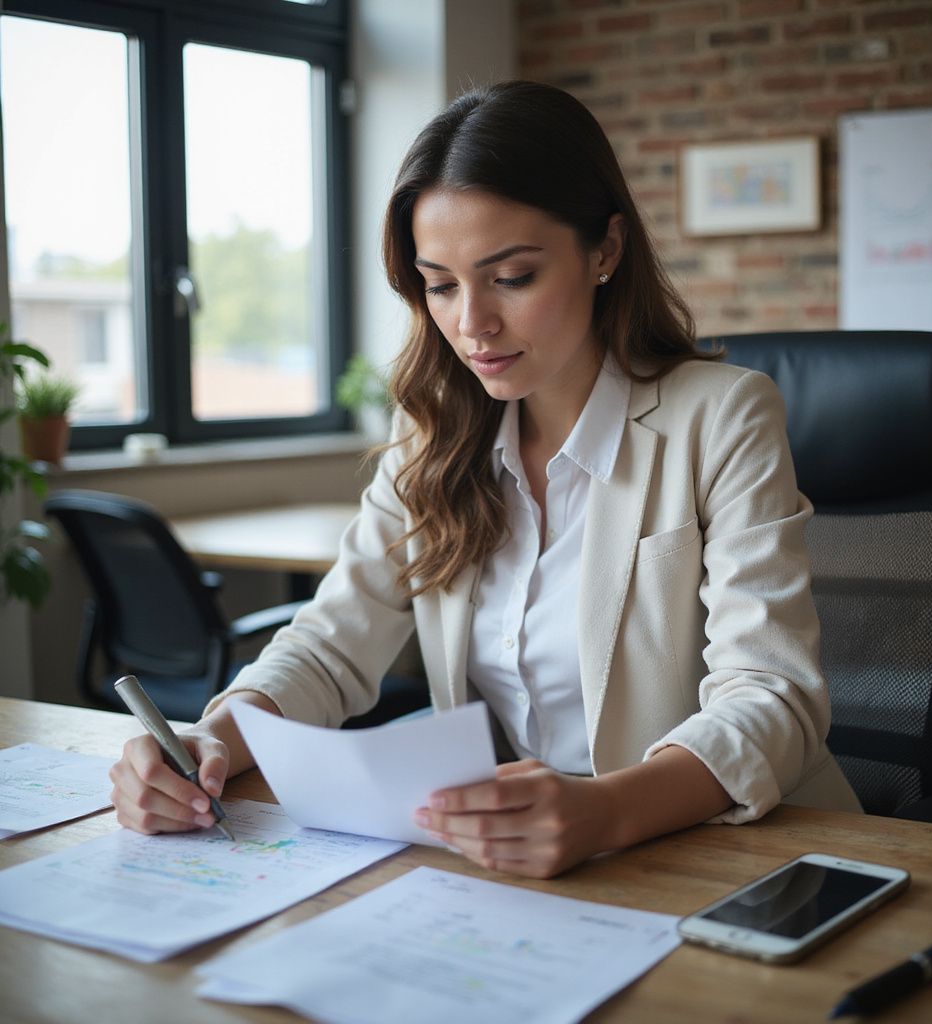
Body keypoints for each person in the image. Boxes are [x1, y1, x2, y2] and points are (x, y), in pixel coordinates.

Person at [110, 80, 861, 878]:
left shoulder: (723, 416)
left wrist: (605, 809)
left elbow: (772, 697)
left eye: (511, 277)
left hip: (721, 851)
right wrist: (212, 739)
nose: (472, 324)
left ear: (604, 250)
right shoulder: (431, 433)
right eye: (440, 284)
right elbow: (331, 646)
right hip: (512, 864)